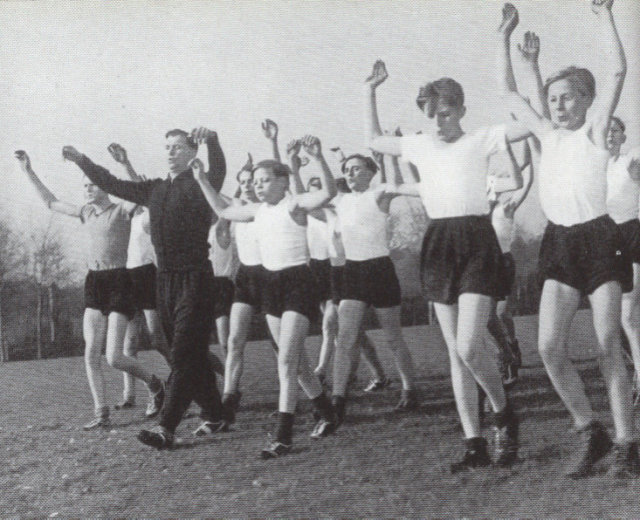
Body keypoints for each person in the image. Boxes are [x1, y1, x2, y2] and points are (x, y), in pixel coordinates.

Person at [498, 1, 639, 478]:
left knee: (605, 344)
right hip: (559, 244)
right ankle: (590, 430)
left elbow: (618, 69)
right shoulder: (543, 134)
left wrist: (605, 18)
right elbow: (511, 93)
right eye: (554, 99)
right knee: (548, 347)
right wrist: (506, 43)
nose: (558, 105)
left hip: (600, 240)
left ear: (586, 100)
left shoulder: (597, 132)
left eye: (568, 98)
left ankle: (626, 441)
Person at [365, 58, 524, 471]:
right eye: (431, 113)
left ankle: (504, 413)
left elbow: (529, 125)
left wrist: (518, 70)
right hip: (437, 243)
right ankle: (474, 443)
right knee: (456, 353)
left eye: (447, 111)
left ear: (462, 110)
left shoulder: (482, 139)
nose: (438, 120)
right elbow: (374, 139)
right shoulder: (418, 144)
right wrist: (371, 90)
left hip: (476, 240)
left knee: (471, 345)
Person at [64, 127, 227, 449]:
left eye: (178, 147)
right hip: (164, 281)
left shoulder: (200, 183)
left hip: (195, 277)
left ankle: (166, 427)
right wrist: (82, 160)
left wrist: (213, 141)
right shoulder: (153, 189)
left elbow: (218, 169)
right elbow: (112, 183)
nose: (171, 152)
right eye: (167, 147)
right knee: (188, 354)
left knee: (182, 353)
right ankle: (216, 412)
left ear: (192, 152)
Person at [193, 135, 337, 459]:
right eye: (255, 182)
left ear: (283, 181)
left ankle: (283, 436)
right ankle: (327, 411)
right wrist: (202, 178)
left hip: (299, 283)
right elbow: (221, 207)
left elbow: (329, 192)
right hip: (271, 286)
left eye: (265, 180)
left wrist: (319, 158)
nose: (258, 186)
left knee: (286, 360)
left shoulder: (295, 204)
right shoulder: (256, 210)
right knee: (297, 364)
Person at [15, 149, 165, 430]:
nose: (87, 189)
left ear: (103, 186)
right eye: (84, 185)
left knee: (115, 357)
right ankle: (101, 412)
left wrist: (129, 168)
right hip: (95, 283)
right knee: (90, 353)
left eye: (92, 184)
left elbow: (144, 196)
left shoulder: (122, 209)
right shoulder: (85, 213)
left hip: (121, 282)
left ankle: (155, 385)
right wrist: (28, 171)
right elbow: (51, 202)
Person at [328, 150, 419, 425]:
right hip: (353, 272)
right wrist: (298, 166)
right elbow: (301, 195)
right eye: (347, 169)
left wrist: (390, 158)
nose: (351, 173)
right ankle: (338, 399)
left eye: (356, 168)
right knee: (344, 338)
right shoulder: (339, 200)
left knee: (393, 337)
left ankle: (409, 388)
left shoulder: (379, 194)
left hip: (380, 270)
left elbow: (395, 183)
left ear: (370, 171)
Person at [106, 143, 170, 417]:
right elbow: (132, 192)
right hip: (128, 277)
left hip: (148, 275)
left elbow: (139, 191)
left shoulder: (153, 214)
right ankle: (135, 393)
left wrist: (126, 164)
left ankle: (191, 379)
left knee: (158, 339)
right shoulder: (132, 215)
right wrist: (125, 164)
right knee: (125, 348)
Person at [486, 140, 533, 387]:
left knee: (501, 313)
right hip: (481, 264)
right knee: (488, 317)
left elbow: (526, 175)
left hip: (502, 262)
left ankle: (511, 350)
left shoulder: (507, 206)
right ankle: (505, 354)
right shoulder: (475, 209)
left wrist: (524, 138)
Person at [605, 117, 640, 397]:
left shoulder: (630, 161)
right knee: (612, 319)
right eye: (606, 131)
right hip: (605, 241)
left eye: (615, 130)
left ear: (623, 136)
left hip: (631, 236)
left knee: (627, 316)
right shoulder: (593, 167)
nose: (609, 135)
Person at [208, 217, 238, 363]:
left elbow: (224, 212)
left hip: (220, 286)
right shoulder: (196, 229)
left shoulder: (221, 229)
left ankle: (230, 378)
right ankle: (223, 373)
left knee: (224, 340)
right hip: (201, 285)